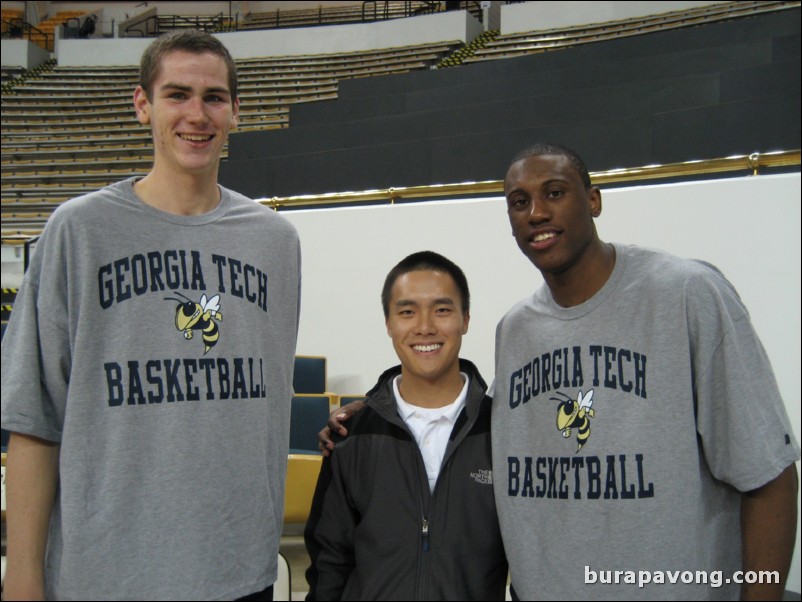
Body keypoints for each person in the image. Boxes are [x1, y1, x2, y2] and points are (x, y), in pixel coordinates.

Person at [1, 30, 301, 601]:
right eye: (177, 94)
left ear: (236, 111)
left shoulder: (276, 242)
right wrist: (22, 575)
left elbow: (262, 403)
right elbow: (34, 421)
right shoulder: (78, 231)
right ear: (143, 104)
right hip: (106, 577)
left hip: (239, 574)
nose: (197, 114)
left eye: (214, 97)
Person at [493, 142, 799, 600]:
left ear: (593, 201)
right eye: (520, 202)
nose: (536, 212)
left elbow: (770, 477)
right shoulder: (514, 330)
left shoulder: (688, 294)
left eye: (555, 193)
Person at [305, 251, 508, 601]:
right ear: (388, 323)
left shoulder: (502, 432)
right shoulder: (352, 436)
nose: (425, 326)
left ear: (466, 319)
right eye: (407, 311)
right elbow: (329, 563)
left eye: (442, 310)